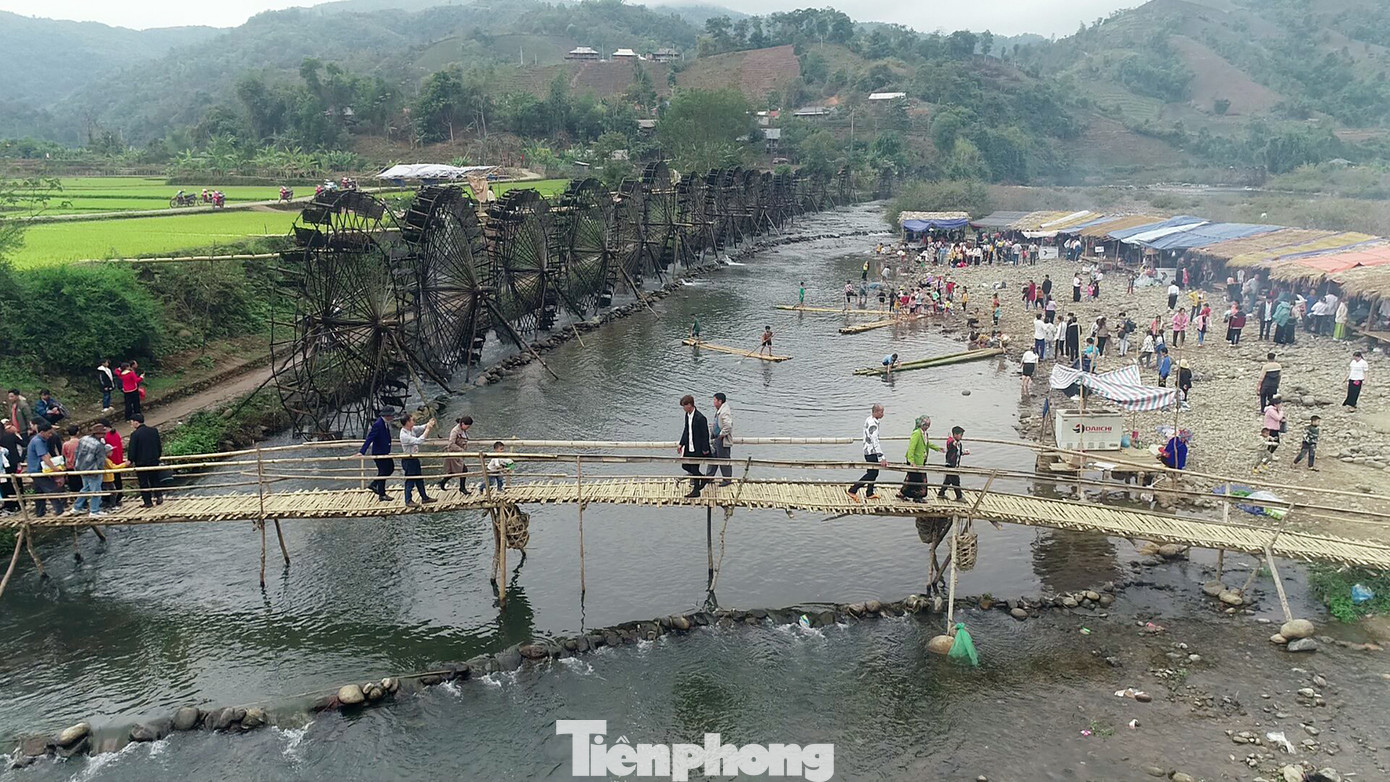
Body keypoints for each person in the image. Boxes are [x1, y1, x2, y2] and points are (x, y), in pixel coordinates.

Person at [847, 404, 887, 503]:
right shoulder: (873, 424)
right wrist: (882, 457)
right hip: (871, 451)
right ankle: (853, 490)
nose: (883, 414)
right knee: (872, 473)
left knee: (873, 472)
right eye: (881, 412)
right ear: (876, 412)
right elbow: (875, 440)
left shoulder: (869, 419)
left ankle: (869, 492)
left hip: (868, 450)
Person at [26, 423, 66, 517]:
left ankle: (40, 512)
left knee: (39, 491)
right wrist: (55, 469)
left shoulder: (40, 440)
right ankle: (59, 510)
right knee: (51, 489)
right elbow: (44, 457)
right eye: (49, 433)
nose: (50, 435)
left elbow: (47, 455)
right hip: (37, 470)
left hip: (36, 469)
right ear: (42, 432)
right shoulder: (38, 442)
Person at [70, 424, 110, 518]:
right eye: (103, 433)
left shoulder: (83, 439)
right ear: (98, 434)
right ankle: (94, 511)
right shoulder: (99, 445)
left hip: (81, 467)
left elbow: (76, 452)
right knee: (96, 490)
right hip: (93, 469)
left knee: (86, 488)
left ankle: (77, 507)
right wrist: (99, 471)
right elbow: (100, 461)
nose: (104, 435)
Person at [398, 412, 437, 507]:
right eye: (412, 420)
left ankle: (424, 498)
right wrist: (428, 429)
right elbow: (419, 441)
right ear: (407, 422)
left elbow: (420, 427)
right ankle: (408, 500)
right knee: (410, 480)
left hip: (414, 458)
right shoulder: (404, 435)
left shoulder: (411, 429)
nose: (414, 421)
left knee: (419, 479)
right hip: (408, 459)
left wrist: (428, 424)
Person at [897, 416, 940, 502]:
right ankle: (917, 496)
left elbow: (926, 443)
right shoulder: (916, 433)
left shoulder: (925, 434)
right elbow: (911, 448)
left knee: (911, 478)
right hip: (915, 460)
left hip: (921, 459)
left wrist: (938, 448)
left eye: (928, 425)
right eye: (925, 425)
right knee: (919, 479)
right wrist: (911, 461)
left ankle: (902, 493)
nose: (927, 427)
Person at [677, 394, 711, 498]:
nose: (683, 408)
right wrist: (681, 443)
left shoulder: (700, 418)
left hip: (698, 448)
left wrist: (705, 449)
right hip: (689, 446)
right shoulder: (687, 415)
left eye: (684, 406)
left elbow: (705, 434)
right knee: (685, 465)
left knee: (694, 467)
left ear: (690, 405)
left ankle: (696, 490)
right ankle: (703, 478)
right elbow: (686, 430)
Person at [358, 408, 396, 502]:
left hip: (385, 452)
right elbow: (369, 438)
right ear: (387, 415)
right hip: (379, 453)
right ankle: (382, 494)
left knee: (390, 468)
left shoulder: (385, 423)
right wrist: (362, 451)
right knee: (383, 472)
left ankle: (374, 484)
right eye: (391, 415)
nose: (393, 417)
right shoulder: (378, 424)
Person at [127, 413, 163, 507]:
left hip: (141, 462)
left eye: (131, 422)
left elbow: (132, 449)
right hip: (154, 460)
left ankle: (148, 502)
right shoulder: (153, 431)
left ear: (136, 422)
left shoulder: (135, 434)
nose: (131, 424)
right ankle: (159, 496)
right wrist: (158, 455)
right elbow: (158, 445)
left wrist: (130, 459)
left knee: (143, 482)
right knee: (155, 479)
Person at [704, 393, 734, 487]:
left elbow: (728, 426)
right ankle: (709, 477)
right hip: (716, 438)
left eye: (715, 400)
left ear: (720, 401)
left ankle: (727, 479)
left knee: (724, 459)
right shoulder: (720, 410)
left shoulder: (724, 411)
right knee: (713, 457)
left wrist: (721, 435)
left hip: (722, 440)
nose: (713, 402)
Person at [441, 416, 473, 493]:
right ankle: (462, 488)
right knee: (463, 470)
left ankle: (443, 483)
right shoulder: (455, 431)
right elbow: (451, 444)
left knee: (454, 471)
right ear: (463, 424)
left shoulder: (462, 430)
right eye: (467, 426)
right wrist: (461, 450)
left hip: (458, 455)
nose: (468, 428)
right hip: (453, 454)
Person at [937, 426, 968, 501]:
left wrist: (964, 453)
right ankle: (959, 496)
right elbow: (950, 444)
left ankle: (941, 493)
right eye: (960, 435)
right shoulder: (952, 442)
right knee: (956, 481)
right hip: (950, 465)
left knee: (948, 481)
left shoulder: (959, 444)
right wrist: (953, 442)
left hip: (955, 465)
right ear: (955, 435)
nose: (961, 436)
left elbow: (958, 453)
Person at [1255, 396, 1286, 471]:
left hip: (1274, 428)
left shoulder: (1274, 410)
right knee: (1274, 443)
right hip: (1271, 429)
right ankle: (1266, 457)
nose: (1280, 405)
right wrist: (1281, 413)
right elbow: (1277, 418)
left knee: (1273, 443)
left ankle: (1269, 455)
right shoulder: (1271, 410)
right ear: (1275, 404)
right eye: (1279, 404)